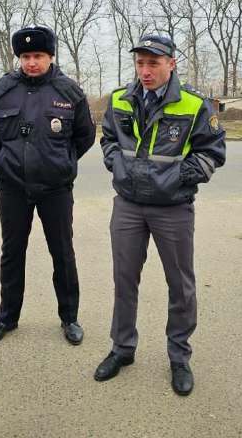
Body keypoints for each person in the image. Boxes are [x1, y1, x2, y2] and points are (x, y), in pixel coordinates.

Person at [95, 35, 226, 396]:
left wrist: (178, 179)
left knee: (180, 286)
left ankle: (179, 357)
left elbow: (212, 152)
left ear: (172, 63)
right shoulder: (120, 99)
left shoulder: (194, 104)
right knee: (124, 280)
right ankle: (122, 349)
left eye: (153, 63)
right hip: (129, 205)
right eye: (140, 63)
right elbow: (107, 139)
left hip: (173, 209)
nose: (145, 70)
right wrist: (118, 166)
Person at [0, 25, 96, 346]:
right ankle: (7, 318)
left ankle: (69, 317)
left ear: (50, 56)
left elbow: (85, 136)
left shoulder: (69, 92)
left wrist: (63, 161)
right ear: (19, 58)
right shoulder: (1, 92)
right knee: (12, 253)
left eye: (39, 56)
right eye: (26, 56)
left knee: (62, 253)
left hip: (55, 189)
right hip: (13, 188)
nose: (32, 62)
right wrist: (9, 159)